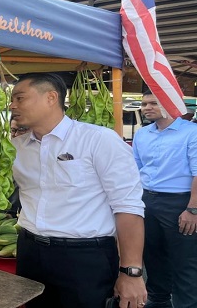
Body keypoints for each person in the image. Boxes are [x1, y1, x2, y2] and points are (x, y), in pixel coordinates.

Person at [9, 73, 147, 308]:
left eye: (20, 98)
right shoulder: (17, 147)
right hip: (30, 252)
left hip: (84, 258)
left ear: (51, 98)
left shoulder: (98, 140)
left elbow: (128, 206)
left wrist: (131, 272)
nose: (12, 105)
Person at [132, 91, 197, 308]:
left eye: (153, 103)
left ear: (169, 104)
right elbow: (137, 168)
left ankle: (186, 304)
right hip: (147, 201)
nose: (146, 107)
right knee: (152, 255)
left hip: (180, 203)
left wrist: (193, 209)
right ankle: (159, 300)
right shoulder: (142, 134)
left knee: (184, 261)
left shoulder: (191, 133)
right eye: (144, 104)